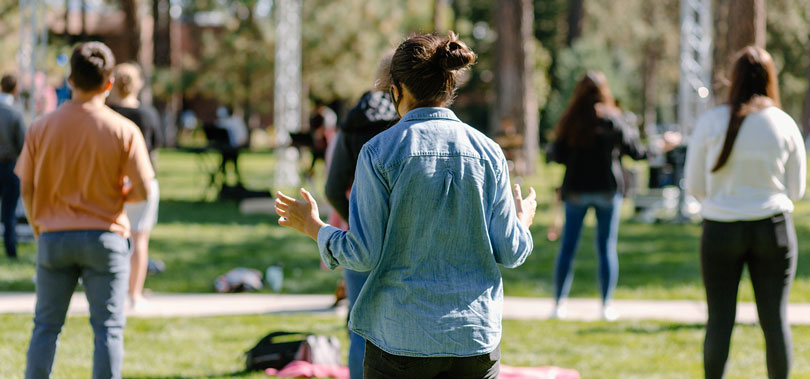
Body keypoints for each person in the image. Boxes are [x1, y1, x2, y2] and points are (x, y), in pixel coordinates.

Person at [275, 32, 536, 379]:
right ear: (449, 86)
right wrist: (522, 221)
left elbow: (363, 254)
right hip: (474, 338)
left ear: (396, 89)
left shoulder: (379, 152)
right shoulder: (488, 152)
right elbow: (512, 251)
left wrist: (313, 226)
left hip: (399, 338)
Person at [17, 42, 154, 379]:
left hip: (53, 236)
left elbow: (27, 187)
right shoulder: (124, 130)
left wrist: (38, 225)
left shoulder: (41, 127)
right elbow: (145, 189)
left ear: (70, 79)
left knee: (45, 328)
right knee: (108, 329)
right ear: (109, 83)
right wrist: (125, 195)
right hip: (105, 236)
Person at [684, 46, 805, 379]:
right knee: (774, 320)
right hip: (773, 229)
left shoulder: (711, 122)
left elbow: (694, 185)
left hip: (721, 229)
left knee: (720, 320)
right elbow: (796, 191)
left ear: (733, 78)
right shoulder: (784, 124)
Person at [547, 71, 657, 321]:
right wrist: (659, 146)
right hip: (607, 190)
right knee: (606, 248)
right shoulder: (614, 120)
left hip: (576, 189)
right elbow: (635, 152)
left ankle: (558, 304)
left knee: (568, 248)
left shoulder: (570, 120)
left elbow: (556, 155)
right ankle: (606, 305)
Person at [323, 53, 399, 379]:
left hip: (361, 237)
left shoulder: (355, 119)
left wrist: (356, 220)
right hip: (405, 236)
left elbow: (332, 186)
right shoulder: (409, 122)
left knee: (359, 326)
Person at [107, 63, 162, 311]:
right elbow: (157, 146)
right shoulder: (148, 115)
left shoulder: (106, 114)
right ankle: (134, 295)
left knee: (111, 238)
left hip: (111, 181)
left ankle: (113, 292)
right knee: (140, 239)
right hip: (142, 181)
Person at [0, 74, 26, 260]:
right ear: (15, 89)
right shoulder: (16, 112)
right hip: (9, 166)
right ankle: (10, 250)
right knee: (9, 212)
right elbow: (23, 144)